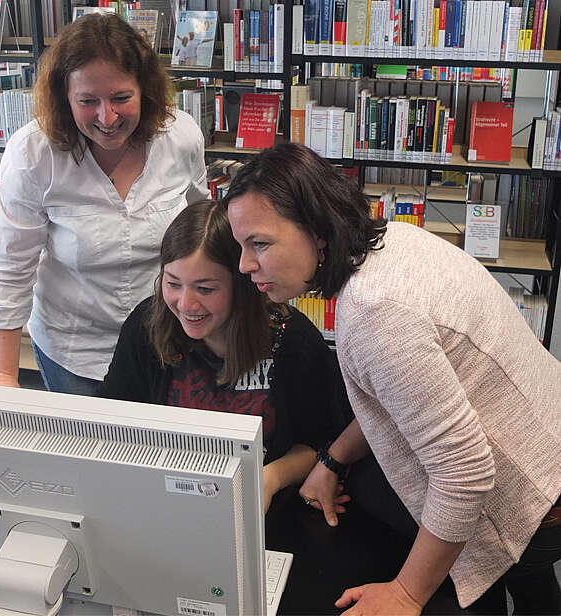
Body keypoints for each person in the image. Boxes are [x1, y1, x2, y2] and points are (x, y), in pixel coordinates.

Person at [223, 143, 561, 615]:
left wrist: (405, 593)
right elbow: (403, 395)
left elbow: (464, 474)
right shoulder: (395, 239)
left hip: (530, 504)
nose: (244, 264)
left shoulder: (376, 313)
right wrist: (333, 458)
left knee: (366, 501)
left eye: (259, 243)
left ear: (317, 232)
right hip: (544, 445)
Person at [0, 14, 209, 395]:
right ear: (64, 98)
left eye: (121, 98)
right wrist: (4, 375)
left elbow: (203, 231)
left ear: (145, 90)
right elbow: (11, 267)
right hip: (74, 349)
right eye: (88, 101)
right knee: (88, 449)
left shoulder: (180, 136)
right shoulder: (33, 153)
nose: (107, 117)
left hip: (167, 339)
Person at [100, 199, 354, 513]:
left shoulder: (292, 340)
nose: (186, 304)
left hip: (265, 512)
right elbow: (112, 424)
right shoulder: (146, 327)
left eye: (205, 289)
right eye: (173, 284)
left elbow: (323, 441)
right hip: (165, 502)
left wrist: (269, 478)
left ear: (242, 285)